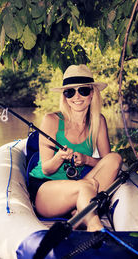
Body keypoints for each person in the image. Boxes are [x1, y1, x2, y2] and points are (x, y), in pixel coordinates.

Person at [28, 64, 122, 231]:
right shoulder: (51, 120)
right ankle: (95, 227)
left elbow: (106, 162)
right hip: (46, 190)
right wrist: (59, 157)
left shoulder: (99, 122)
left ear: (92, 93)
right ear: (65, 96)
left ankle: (79, 211)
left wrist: (86, 159)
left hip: (80, 185)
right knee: (87, 186)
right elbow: (47, 169)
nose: (77, 97)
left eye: (83, 90)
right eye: (70, 91)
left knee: (115, 159)